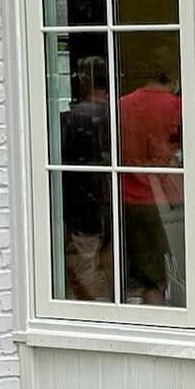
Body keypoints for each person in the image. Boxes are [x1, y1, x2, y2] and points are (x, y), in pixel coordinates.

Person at [118, 66, 184, 305]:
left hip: (128, 196)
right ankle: (161, 322)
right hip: (163, 197)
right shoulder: (175, 105)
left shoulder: (122, 104)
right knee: (160, 273)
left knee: (143, 272)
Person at [59, 55, 112, 300]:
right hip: (108, 200)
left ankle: (95, 314)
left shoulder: (78, 116)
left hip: (84, 203)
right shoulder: (112, 113)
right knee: (106, 261)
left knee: (86, 264)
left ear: (84, 80)